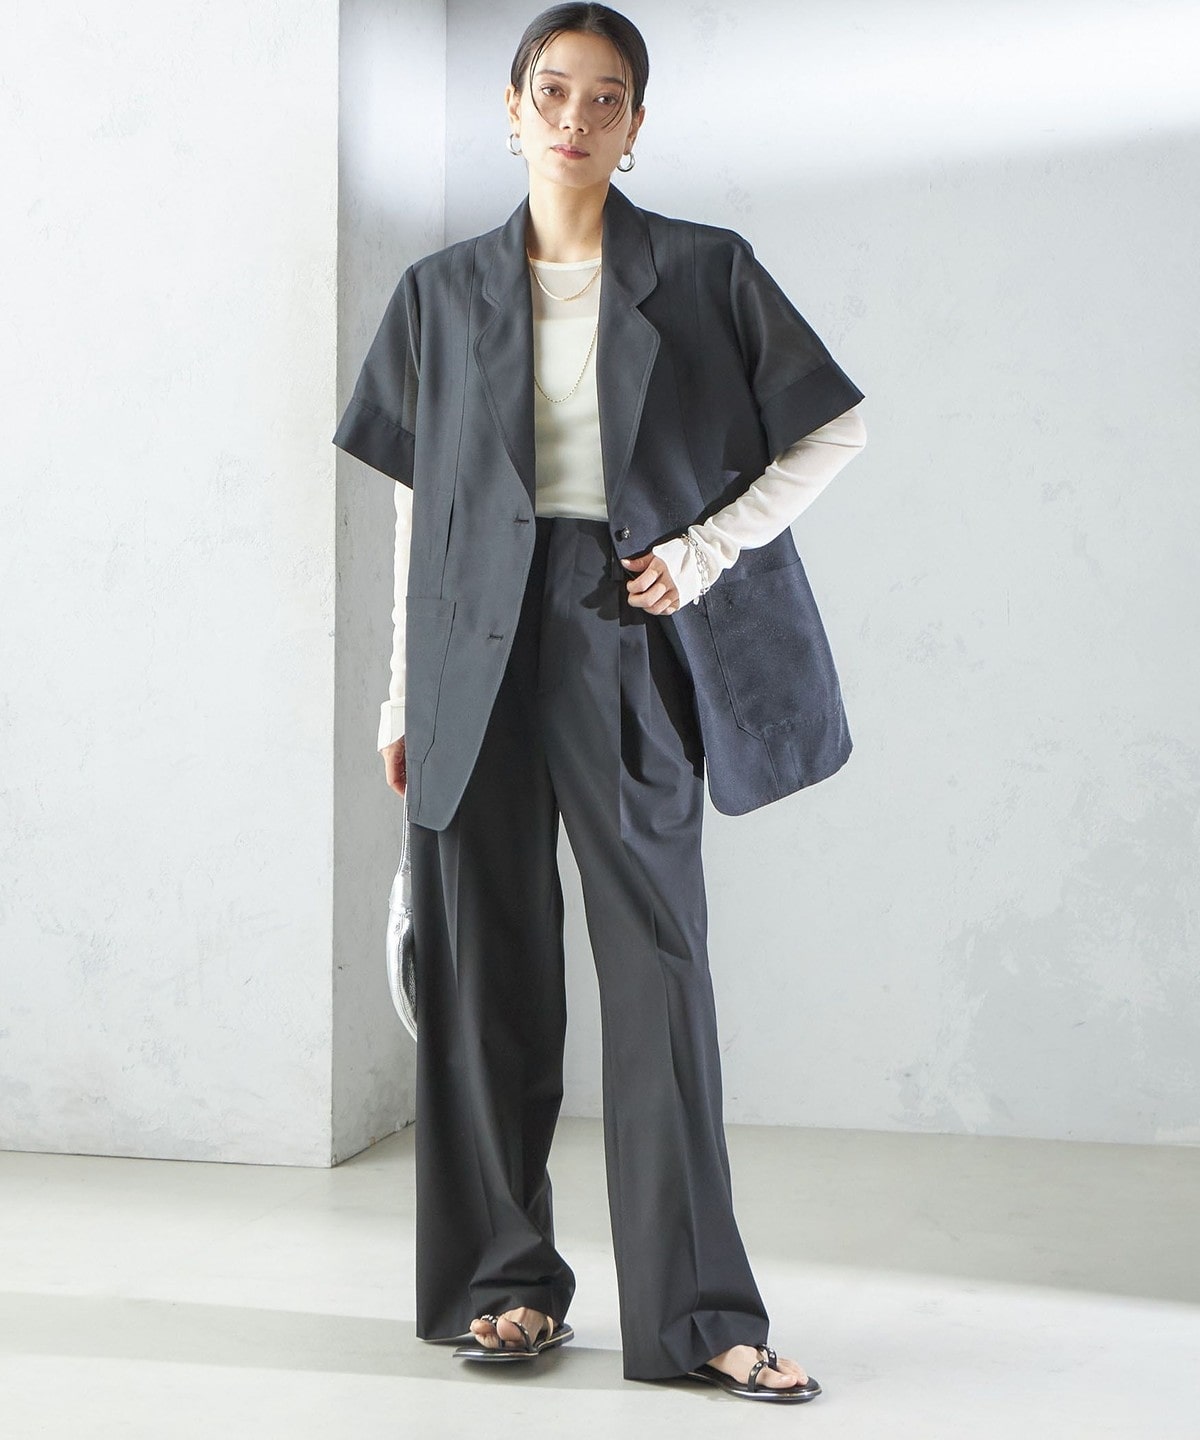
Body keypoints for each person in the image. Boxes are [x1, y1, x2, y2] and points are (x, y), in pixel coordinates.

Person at [334, 2, 866, 1405]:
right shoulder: (439, 294)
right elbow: (420, 513)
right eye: (553, 90)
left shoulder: (701, 270)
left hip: (618, 629)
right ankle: (505, 1288)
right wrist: (396, 693)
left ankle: (700, 1318)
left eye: (606, 96)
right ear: (513, 109)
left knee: (658, 970)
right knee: (480, 973)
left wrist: (703, 554)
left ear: (635, 127)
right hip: (468, 647)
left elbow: (834, 424)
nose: (575, 116)